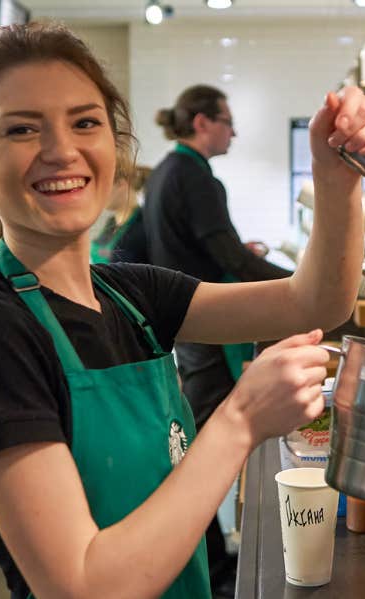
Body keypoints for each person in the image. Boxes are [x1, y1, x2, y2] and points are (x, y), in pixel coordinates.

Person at [0, 22, 365, 599]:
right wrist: (241, 420)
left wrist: (336, 176)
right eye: (22, 129)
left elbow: (314, 300)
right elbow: (83, 585)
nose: (61, 150)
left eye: (85, 122)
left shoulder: (130, 295)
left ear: (113, 141)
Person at [143, 86, 299, 592]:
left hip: (185, 330)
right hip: (202, 332)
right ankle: (210, 565)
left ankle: (209, 555)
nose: (234, 131)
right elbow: (230, 257)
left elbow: (211, 250)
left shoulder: (168, 171)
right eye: (228, 121)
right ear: (204, 122)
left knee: (194, 441)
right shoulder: (195, 176)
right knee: (205, 446)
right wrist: (297, 287)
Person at [89, 164, 150, 264]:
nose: (99, 194)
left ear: (122, 185)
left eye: (104, 187)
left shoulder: (144, 225)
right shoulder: (111, 222)